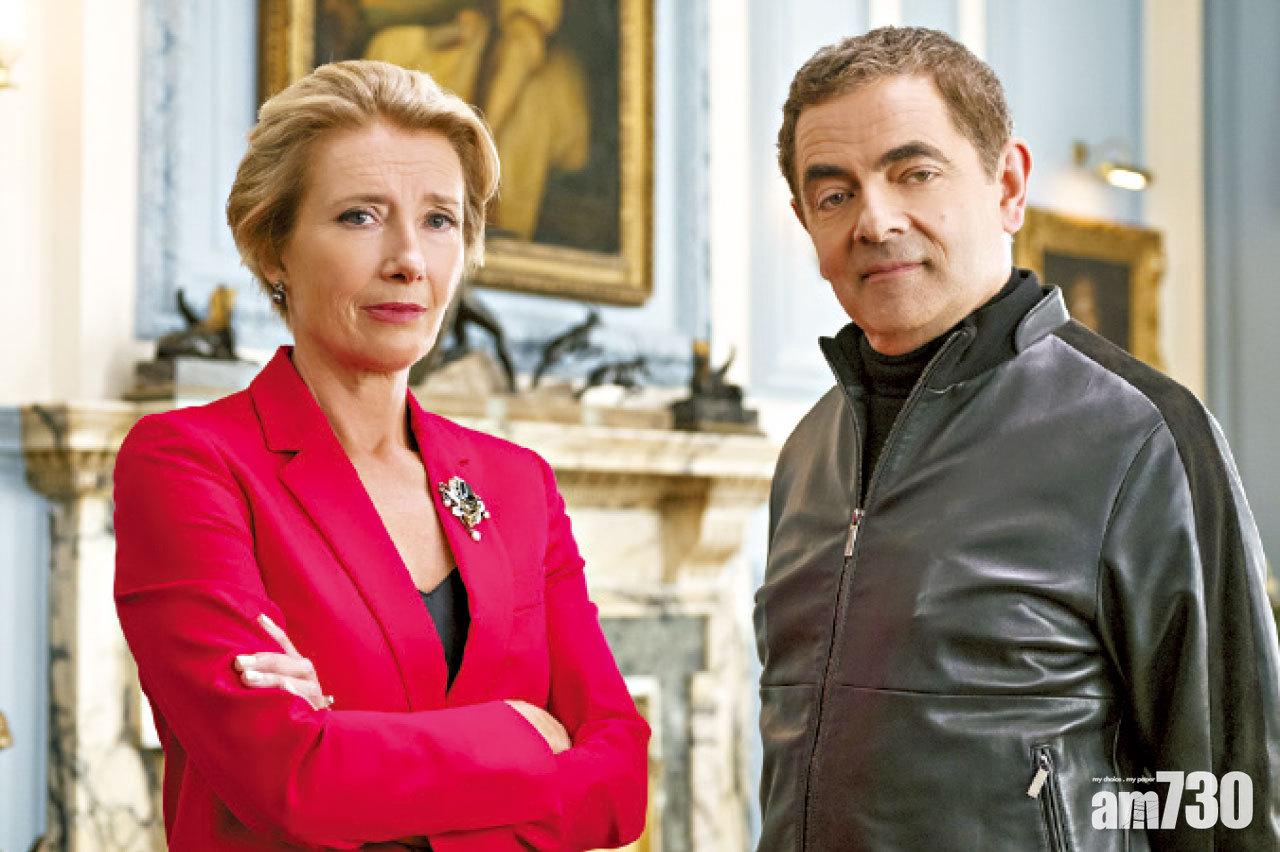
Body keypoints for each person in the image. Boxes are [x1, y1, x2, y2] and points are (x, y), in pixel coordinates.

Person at [754, 26, 1279, 851]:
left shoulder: (1143, 435)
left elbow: (1220, 800)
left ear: (1007, 185)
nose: (874, 220)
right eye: (834, 195)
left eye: (915, 173)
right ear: (805, 222)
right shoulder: (806, 452)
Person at [113, 59, 648, 851]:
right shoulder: (190, 464)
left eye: (439, 220)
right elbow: (289, 779)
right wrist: (522, 732)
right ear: (273, 247)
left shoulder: (518, 484)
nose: (410, 260)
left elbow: (622, 780)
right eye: (360, 216)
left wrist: (357, 759)